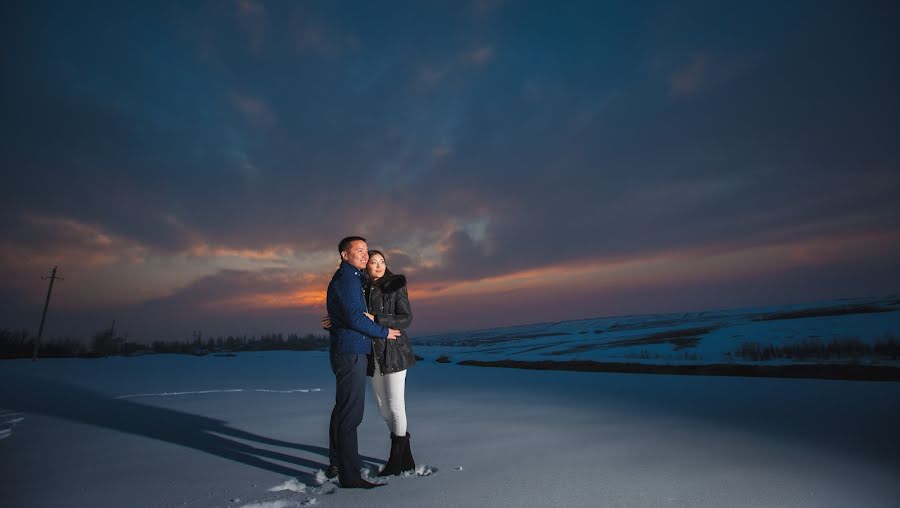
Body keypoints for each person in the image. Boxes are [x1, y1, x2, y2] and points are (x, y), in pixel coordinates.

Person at [326, 236, 401, 489]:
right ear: (344, 255)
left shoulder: (354, 278)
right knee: (351, 415)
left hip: (348, 350)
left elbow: (346, 313)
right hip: (351, 353)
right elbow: (356, 317)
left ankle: (337, 463)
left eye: (366, 250)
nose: (364, 254)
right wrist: (384, 332)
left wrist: (334, 319)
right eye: (358, 250)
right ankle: (350, 476)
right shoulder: (347, 279)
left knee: (343, 410)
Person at [363, 250, 417, 476]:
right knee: (383, 409)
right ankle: (406, 456)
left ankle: (395, 461)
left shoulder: (395, 285)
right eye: (373, 262)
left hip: (394, 352)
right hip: (372, 353)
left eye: (382, 262)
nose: (378, 266)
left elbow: (406, 318)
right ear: (366, 266)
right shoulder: (361, 289)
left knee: (396, 406)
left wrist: (378, 319)